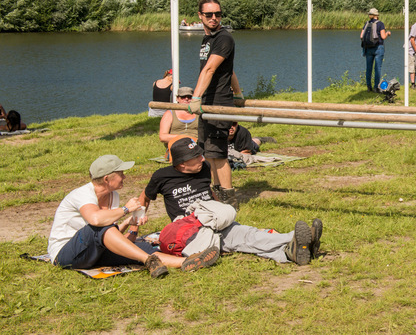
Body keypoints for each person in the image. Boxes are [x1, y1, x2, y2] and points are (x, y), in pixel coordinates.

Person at [139, 139, 323, 266]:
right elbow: (145, 197)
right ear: (181, 164)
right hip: (189, 227)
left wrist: (220, 208)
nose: (202, 159)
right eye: (196, 157)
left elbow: (209, 191)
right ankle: (296, 244)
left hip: (214, 217)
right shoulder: (161, 176)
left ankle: (294, 247)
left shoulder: (204, 168)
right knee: (241, 241)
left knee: (247, 235)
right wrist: (138, 218)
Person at [47, 154, 219, 278]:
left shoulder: (112, 195)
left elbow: (110, 235)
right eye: (120, 173)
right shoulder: (83, 195)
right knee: (97, 228)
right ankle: (149, 261)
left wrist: (131, 224)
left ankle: (188, 262)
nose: (124, 176)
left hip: (92, 251)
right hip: (65, 255)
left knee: (140, 249)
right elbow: (96, 221)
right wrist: (126, 210)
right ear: (107, 179)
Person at [187, 0, 243, 209]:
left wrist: (195, 97)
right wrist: (238, 92)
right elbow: (228, 70)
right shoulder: (207, 39)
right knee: (208, 154)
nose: (214, 18)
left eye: (218, 14)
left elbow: (210, 69)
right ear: (200, 16)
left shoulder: (224, 38)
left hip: (218, 103)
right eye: (209, 14)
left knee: (218, 155)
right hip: (207, 103)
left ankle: (230, 202)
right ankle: (216, 197)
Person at [159, 86, 199, 157]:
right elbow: (162, 137)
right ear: (178, 98)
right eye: (183, 97)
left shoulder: (198, 113)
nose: (186, 99)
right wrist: (185, 138)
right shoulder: (169, 114)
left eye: (189, 97)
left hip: (196, 145)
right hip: (177, 145)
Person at [361, 8, 390, 92]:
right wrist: (388, 33)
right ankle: (376, 88)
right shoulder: (380, 24)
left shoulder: (367, 23)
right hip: (378, 48)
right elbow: (383, 36)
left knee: (368, 68)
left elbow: (361, 36)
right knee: (377, 68)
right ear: (377, 15)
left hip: (368, 48)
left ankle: (368, 87)